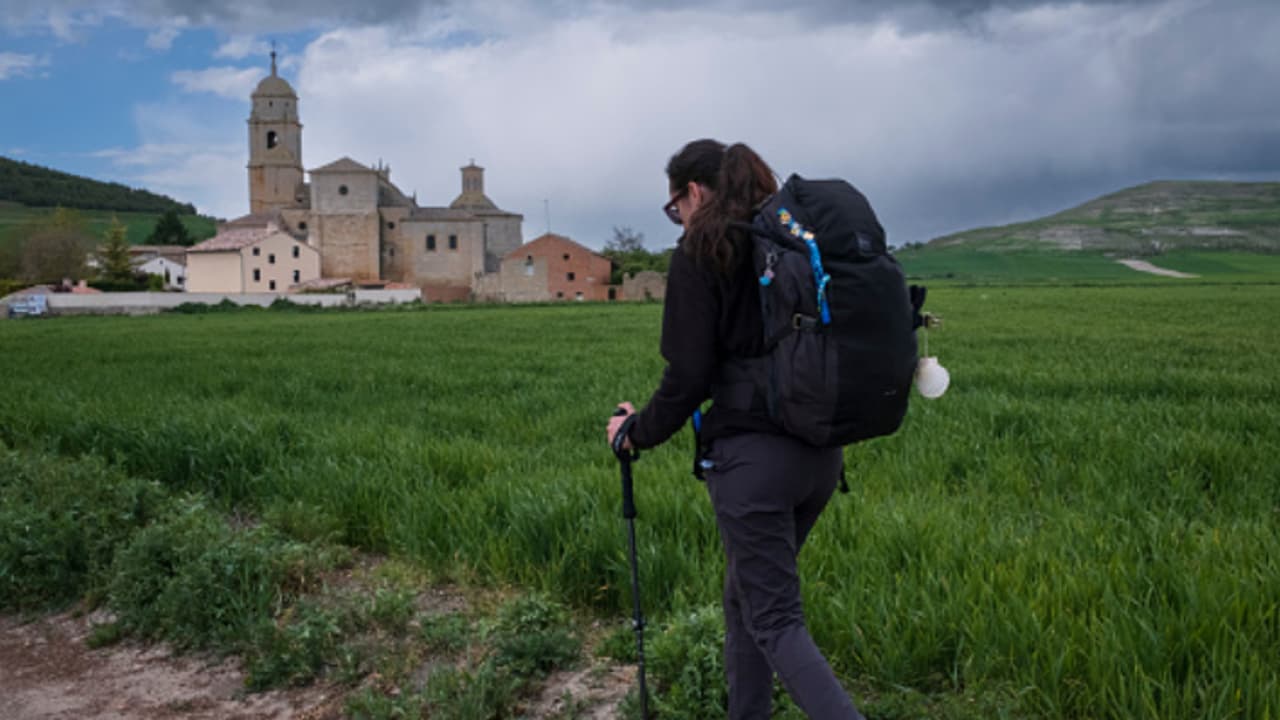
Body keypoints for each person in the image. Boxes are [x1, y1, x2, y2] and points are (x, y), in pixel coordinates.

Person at [607, 139, 865, 720]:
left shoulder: (704, 251)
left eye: (676, 207)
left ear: (694, 192)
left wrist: (634, 431)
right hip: (820, 457)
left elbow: (689, 375)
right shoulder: (787, 243)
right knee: (744, 599)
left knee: (776, 621)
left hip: (754, 467)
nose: (679, 219)